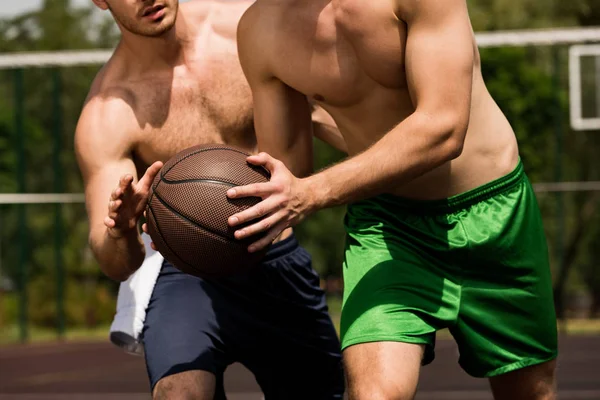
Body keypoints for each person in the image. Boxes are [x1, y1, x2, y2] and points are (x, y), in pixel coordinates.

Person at [226, 0, 558, 399]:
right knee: (375, 394)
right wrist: (195, 223)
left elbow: (444, 128)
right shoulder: (260, 29)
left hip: (495, 214)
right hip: (389, 227)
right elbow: (283, 172)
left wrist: (312, 191)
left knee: (529, 393)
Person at [75, 0, 346, 398]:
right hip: (185, 271)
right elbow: (115, 262)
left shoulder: (247, 29)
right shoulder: (110, 113)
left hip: (275, 256)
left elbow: (332, 115)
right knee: (179, 393)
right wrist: (120, 231)